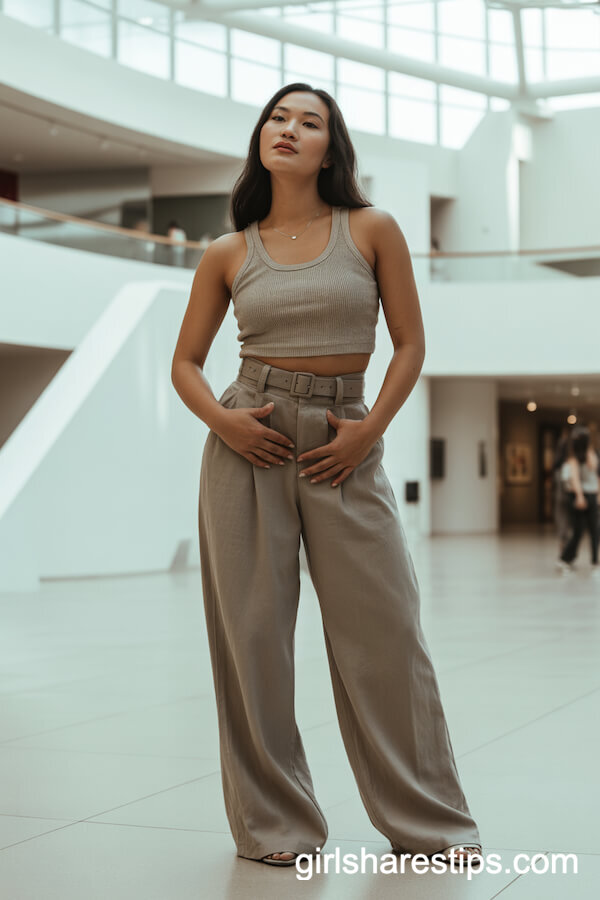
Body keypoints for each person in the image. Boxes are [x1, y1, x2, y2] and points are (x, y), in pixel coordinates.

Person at [171, 83, 483, 869]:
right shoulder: (229, 251)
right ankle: (275, 826)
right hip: (250, 438)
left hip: (345, 438)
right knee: (253, 641)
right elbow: (185, 364)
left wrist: (368, 431)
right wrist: (225, 423)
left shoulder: (371, 229)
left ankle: (430, 822)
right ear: (261, 139)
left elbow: (409, 345)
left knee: (386, 633)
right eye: (277, 118)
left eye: (309, 122)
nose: (289, 129)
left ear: (329, 150)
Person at [557, 425, 600, 574]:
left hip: (592, 494)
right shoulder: (573, 458)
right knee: (578, 531)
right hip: (579, 496)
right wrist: (580, 497)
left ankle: (595, 561)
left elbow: (596, 473)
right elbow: (574, 479)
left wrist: (598, 495)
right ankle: (565, 558)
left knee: (595, 530)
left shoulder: (592, 454)